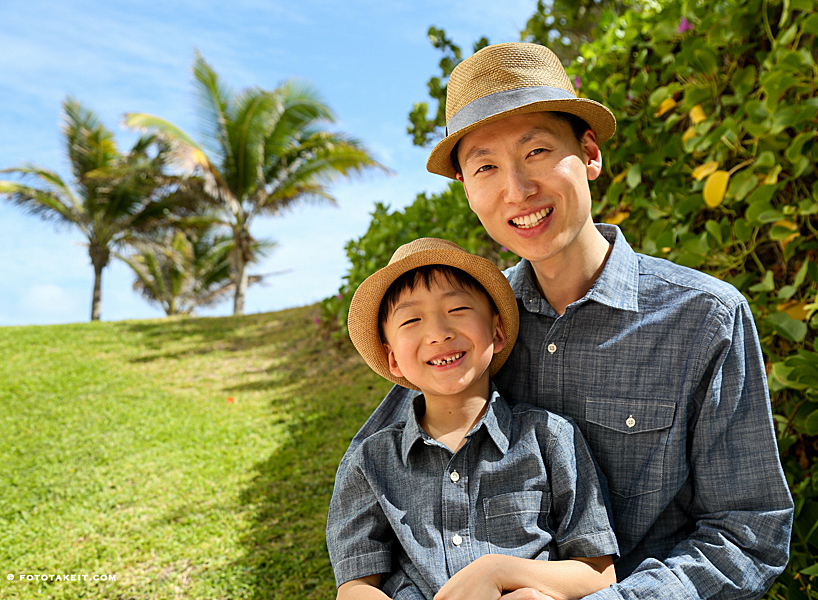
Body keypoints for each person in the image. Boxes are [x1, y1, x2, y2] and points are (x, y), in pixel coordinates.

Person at [335, 43, 794, 600]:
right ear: (467, 191)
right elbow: (385, 469)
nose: (518, 189)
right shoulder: (470, 326)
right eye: (486, 167)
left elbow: (749, 536)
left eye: (537, 152)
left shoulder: (704, 319)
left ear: (590, 154)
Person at [327, 237, 619, 600]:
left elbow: (598, 574)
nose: (438, 333)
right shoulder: (370, 463)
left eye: (458, 309)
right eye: (412, 320)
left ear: (497, 331)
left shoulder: (549, 438)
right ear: (393, 360)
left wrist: (505, 574)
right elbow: (355, 585)